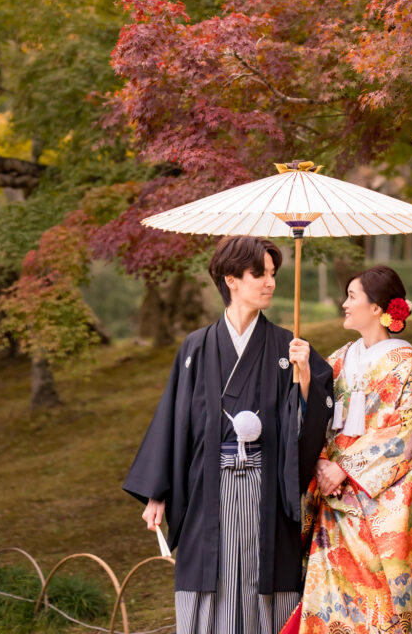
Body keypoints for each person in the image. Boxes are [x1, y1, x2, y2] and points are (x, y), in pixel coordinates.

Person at [123, 235, 334, 634]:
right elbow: (174, 417)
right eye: (259, 274)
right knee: (212, 578)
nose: (269, 282)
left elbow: (319, 407)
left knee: (262, 578)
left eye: (273, 274)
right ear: (231, 279)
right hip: (208, 485)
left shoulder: (287, 345)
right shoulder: (196, 347)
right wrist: (157, 492)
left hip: (267, 483)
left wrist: (305, 376)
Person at [297, 265, 412, 634]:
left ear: (378, 308)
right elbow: (314, 410)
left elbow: (408, 428)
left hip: (377, 497)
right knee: (333, 600)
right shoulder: (336, 359)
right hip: (334, 498)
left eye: (352, 297)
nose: (344, 304)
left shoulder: (402, 361)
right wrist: (303, 374)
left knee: (382, 601)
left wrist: (345, 467)